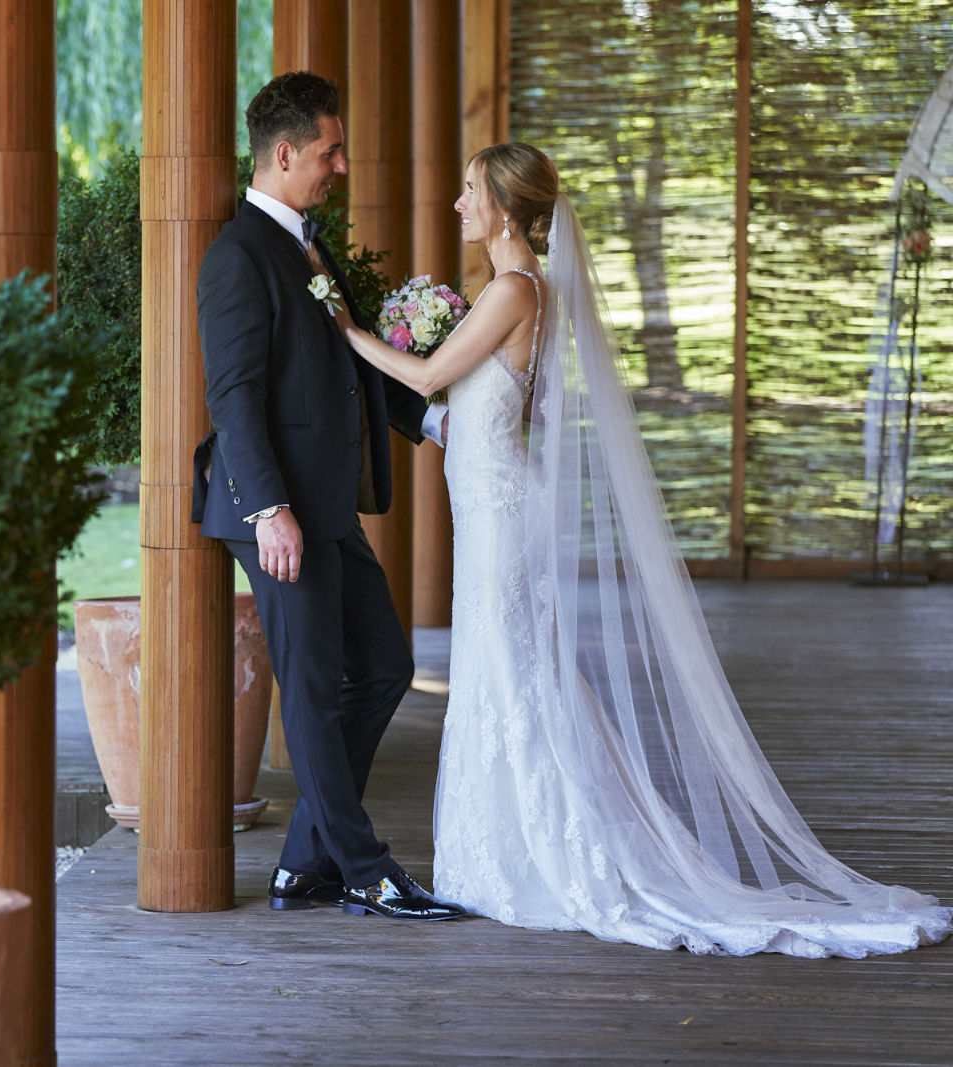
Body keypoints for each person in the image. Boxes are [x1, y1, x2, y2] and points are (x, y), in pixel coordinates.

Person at [334, 141, 952, 956]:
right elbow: (485, 409)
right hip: (491, 506)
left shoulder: (516, 289)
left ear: (507, 208)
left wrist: (343, 329)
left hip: (500, 515)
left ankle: (537, 855)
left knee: (513, 671)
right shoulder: (515, 291)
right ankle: (503, 848)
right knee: (508, 670)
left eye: (471, 190)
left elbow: (422, 379)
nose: (458, 203)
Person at [191, 71, 460, 921]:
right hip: (279, 516)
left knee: (383, 666)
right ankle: (364, 867)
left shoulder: (308, 244)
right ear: (284, 153)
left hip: (328, 508)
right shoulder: (238, 254)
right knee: (309, 690)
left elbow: (350, 359)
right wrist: (270, 510)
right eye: (329, 151)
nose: (340, 165)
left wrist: (442, 423)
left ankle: (305, 860)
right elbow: (232, 394)